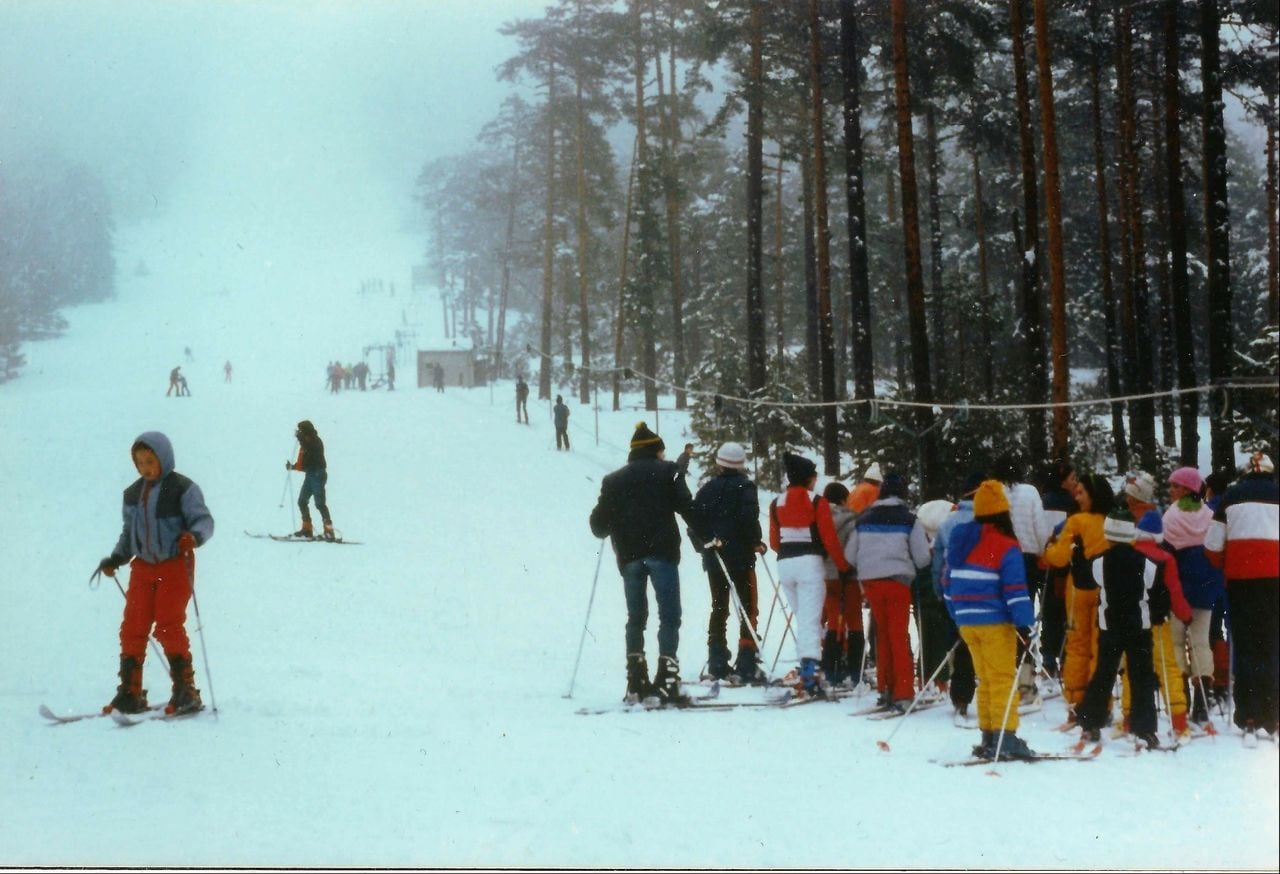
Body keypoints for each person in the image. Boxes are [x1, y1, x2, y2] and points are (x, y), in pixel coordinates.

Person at [96, 432, 214, 715]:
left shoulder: (183, 488)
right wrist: (117, 557)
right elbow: (129, 533)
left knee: (168, 624)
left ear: (164, 458)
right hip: (143, 567)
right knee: (133, 627)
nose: (145, 467)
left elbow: (204, 520)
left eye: (150, 461)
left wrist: (194, 537)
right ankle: (130, 691)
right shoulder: (132, 493)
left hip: (174, 565)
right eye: (139, 462)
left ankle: (186, 690)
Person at [589, 422, 699, 705]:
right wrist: (708, 537)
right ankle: (667, 678)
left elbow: (598, 526)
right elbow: (687, 507)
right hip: (662, 553)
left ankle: (636, 679)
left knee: (636, 618)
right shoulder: (669, 472)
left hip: (630, 558)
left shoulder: (613, 480)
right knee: (669, 615)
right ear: (657, 451)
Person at [941, 480, 1037, 760]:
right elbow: (1015, 590)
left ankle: (989, 735)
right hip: (995, 622)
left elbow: (947, 581)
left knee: (985, 679)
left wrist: (957, 616)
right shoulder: (1006, 546)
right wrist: (1023, 623)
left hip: (967, 621)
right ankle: (1005, 738)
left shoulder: (961, 541)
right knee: (1003, 679)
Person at [1072, 510, 1172, 750]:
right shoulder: (1148, 563)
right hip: (1139, 627)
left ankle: (1090, 723)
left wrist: (1076, 553)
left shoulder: (1100, 561)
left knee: (1104, 674)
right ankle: (1145, 729)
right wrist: (1159, 614)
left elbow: (1082, 581)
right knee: (1141, 677)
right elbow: (1159, 595)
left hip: (1111, 627)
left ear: (1108, 534)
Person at [1206, 452, 1279, 744]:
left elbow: (1212, 547)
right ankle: (1273, 713)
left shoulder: (1231, 498)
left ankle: (1248, 714)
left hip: (1241, 582)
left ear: (1246, 472)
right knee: (1273, 644)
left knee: (1246, 646)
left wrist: (1230, 563)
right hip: (1275, 581)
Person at [768, 453, 852, 698]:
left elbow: (774, 541)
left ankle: (808, 666)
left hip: (785, 564)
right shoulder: (817, 501)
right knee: (810, 620)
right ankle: (810, 673)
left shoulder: (776, 502)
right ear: (808, 479)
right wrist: (842, 565)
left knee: (803, 618)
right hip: (810, 564)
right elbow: (829, 538)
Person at [844, 471, 930, 711]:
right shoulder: (909, 519)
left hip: (870, 582)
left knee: (881, 635)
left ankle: (885, 688)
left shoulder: (863, 519)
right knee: (898, 636)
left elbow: (850, 555)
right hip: (897, 580)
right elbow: (923, 558)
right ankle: (902, 692)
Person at [690, 442, 766, 684]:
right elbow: (748, 516)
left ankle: (717, 660)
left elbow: (693, 518)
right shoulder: (745, 487)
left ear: (719, 463)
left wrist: (703, 544)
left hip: (715, 557)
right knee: (748, 607)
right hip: (741, 557)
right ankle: (746, 661)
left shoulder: (707, 488)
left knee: (719, 607)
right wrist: (756, 541)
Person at [1043, 473, 1115, 722]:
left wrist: (1049, 549)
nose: (1077, 495)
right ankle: (1101, 703)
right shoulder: (1111, 521)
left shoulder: (1075, 522)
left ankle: (1076, 701)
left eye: (1082, 492)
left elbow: (1060, 557)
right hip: (1106, 588)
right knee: (1100, 648)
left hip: (1079, 590)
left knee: (1077, 647)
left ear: (1093, 496)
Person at [1163, 466, 1225, 730]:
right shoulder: (1209, 513)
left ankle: (1182, 695)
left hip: (1180, 584)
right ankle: (1203, 696)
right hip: (1208, 583)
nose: (1171, 491)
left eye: (1175, 486)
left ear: (1187, 489)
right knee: (1201, 641)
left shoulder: (1172, 515)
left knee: (1177, 641)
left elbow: (1165, 552)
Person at [1126, 510, 1194, 737]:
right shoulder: (1165, 558)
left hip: (1132, 621)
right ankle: (1178, 722)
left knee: (1131, 670)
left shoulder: (1129, 553)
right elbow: (1175, 592)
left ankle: (1127, 718)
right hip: (1158, 622)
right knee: (1169, 669)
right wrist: (1185, 615)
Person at [993, 453, 1052, 706]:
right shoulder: (1029, 492)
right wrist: (1043, 552)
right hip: (1027, 559)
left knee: (1003, 620)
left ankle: (1004, 679)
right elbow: (1040, 528)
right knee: (1024, 619)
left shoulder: (994, 491)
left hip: (1000, 559)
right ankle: (1025, 682)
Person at [930, 473, 985, 725]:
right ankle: (988, 697)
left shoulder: (947, 523)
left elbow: (938, 561)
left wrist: (939, 590)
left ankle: (961, 696)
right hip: (984, 590)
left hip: (955, 590)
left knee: (961, 644)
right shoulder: (987, 521)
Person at [820, 482, 863, 688]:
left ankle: (831, 667)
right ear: (844, 499)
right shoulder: (852, 519)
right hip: (849, 574)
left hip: (827, 573)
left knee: (833, 620)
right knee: (854, 620)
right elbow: (855, 547)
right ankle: (855, 668)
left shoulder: (819, 517)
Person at [287, 420, 335, 541]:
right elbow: (304, 464)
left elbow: (310, 450)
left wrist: (302, 440)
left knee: (320, 504)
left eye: (300, 431)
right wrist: (293, 467)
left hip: (318, 475)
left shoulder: (315, 442)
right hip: (311, 475)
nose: (298, 434)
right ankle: (307, 529)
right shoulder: (306, 443)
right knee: (302, 501)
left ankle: (329, 531)